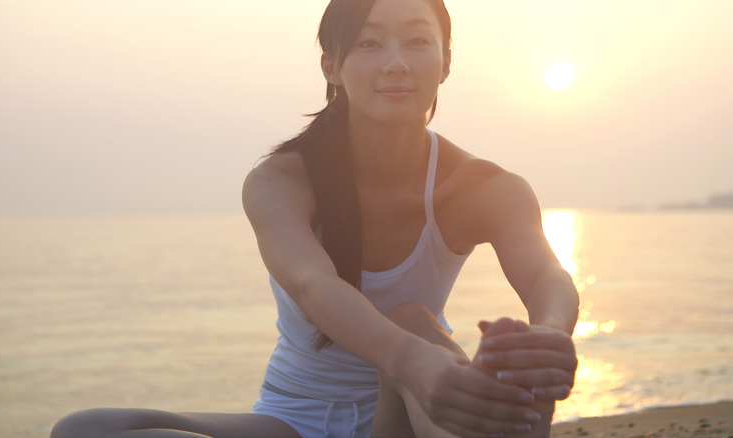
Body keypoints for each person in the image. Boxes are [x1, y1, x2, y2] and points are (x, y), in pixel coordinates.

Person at [50, 0, 579, 436]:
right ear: (331, 65)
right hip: (293, 418)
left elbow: (543, 275)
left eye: (417, 41)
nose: (396, 62)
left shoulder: (484, 187)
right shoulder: (280, 182)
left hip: (415, 407)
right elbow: (312, 285)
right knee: (84, 429)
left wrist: (550, 336)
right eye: (370, 43)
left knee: (414, 320)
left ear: (444, 61)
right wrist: (408, 358)